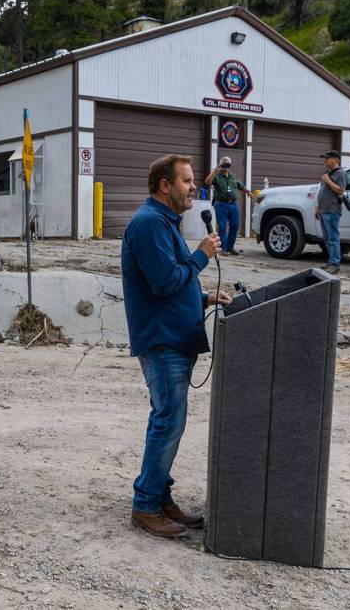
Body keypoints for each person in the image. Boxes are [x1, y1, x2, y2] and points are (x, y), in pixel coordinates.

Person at [121, 154, 229, 538]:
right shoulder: (149, 224)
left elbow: (172, 285)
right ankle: (146, 506)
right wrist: (202, 255)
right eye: (186, 180)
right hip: (163, 340)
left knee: (170, 422)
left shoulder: (163, 222)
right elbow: (165, 283)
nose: (193, 186)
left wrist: (205, 298)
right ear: (164, 185)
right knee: (167, 422)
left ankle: (160, 497)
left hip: (174, 336)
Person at [204, 156, 251, 256]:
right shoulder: (217, 176)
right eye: (223, 165)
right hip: (221, 204)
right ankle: (223, 249)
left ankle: (230, 247)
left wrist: (248, 192)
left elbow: (241, 186)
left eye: (228, 165)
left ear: (230, 166)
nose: (226, 167)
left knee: (235, 226)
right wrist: (215, 172)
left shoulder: (233, 176)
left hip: (233, 204)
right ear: (220, 165)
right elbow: (207, 181)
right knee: (222, 226)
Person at [314, 150, 346, 274]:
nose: (325, 160)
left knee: (333, 237)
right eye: (325, 158)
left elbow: (340, 190)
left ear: (336, 160)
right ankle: (331, 261)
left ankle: (335, 264)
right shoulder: (327, 173)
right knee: (327, 238)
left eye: (328, 158)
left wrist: (328, 180)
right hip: (323, 209)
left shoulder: (340, 174)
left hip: (332, 210)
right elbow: (323, 192)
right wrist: (318, 207)